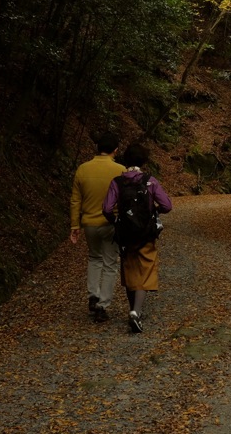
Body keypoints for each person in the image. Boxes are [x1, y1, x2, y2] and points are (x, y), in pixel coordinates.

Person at [103, 143, 173, 334]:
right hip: (145, 233)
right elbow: (167, 205)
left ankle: (132, 307)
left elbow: (107, 208)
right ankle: (136, 312)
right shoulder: (150, 181)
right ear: (144, 161)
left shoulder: (117, 182)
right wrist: (153, 210)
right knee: (146, 269)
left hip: (125, 234)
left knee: (129, 269)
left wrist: (116, 221)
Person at [69, 132, 126, 323]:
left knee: (94, 258)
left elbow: (76, 200)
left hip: (89, 223)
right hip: (111, 223)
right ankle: (103, 305)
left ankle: (93, 295)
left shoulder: (83, 169)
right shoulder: (120, 170)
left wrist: (75, 224)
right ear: (115, 151)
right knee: (110, 264)